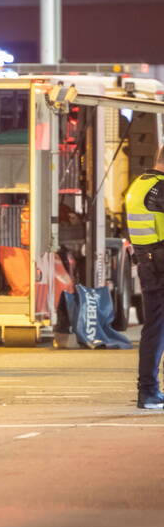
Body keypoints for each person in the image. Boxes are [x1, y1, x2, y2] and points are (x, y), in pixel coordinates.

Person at [124, 156, 164, 409]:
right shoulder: (160, 187)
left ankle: (148, 391)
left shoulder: (139, 183)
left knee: (155, 327)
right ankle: (148, 391)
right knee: (156, 328)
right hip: (159, 261)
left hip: (148, 261)